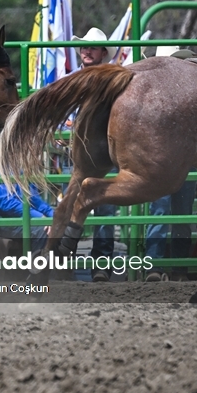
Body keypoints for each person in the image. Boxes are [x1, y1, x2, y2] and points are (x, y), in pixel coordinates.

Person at [73, 26, 117, 276]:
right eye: (84, 46)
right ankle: (63, 262)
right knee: (70, 205)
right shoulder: (70, 79)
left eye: (92, 47)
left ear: (102, 52)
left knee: (104, 208)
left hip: (103, 154)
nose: (87, 50)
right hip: (77, 153)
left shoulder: (111, 82)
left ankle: (102, 264)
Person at [0, 172, 54, 253]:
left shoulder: (20, 166)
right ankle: (36, 264)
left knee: (63, 225)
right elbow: (6, 204)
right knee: (42, 230)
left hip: (18, 215)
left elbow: (34, 198)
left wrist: (54, 215)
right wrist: (40, 217)